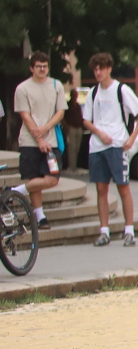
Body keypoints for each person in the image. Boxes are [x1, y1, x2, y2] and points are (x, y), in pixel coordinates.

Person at [80, 53, 138, 247]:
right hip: (98, 145)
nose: (98, 72)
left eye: (101, 68)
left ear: (109, 68)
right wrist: (98, 132)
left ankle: (129, 230)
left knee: (123, 187)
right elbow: (86, 119)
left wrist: (132, 137)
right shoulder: (93, 92)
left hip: (117, 144)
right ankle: (104, 231)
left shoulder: (121, 90)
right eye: (95, 69)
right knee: (101, 188)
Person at [10, 51, 67, 226]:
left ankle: (14, 191)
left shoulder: (56, 86)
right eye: (38, 66)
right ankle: (40, 216)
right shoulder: (23, 88)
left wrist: (46, 128)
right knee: (33, 177)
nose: (42, 69)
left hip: (52, 139)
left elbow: (60, 112)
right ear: (31, 68)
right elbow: (25, 116)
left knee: (52, 178)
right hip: (29, 141)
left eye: (45, 66)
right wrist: (39, 139)